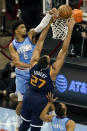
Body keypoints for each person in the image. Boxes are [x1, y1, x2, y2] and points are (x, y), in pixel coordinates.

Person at [19, 18, 75, 131]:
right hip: (40, 101)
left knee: (24, 126)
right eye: (49, 58)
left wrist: (48, 24)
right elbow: (64, 50)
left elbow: (40, 42)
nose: (48, 56)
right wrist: (70, 29)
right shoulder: (52, 72)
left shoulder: (33, 63)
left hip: (28, 96)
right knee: (35, 128)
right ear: (48, 64)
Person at [9, 8, 58, 131]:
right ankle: (17, 123)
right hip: (21, 74)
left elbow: (40, 27)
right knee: (21, 103)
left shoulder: (30, 35)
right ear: (16, 31)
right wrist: (30, 66)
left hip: (34, 72)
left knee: (45, 95)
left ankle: (55, 117)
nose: (25, 29)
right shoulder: (12, 45)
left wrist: (49, 15)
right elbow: (16, 62)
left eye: (25, 27)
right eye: (22, 27)